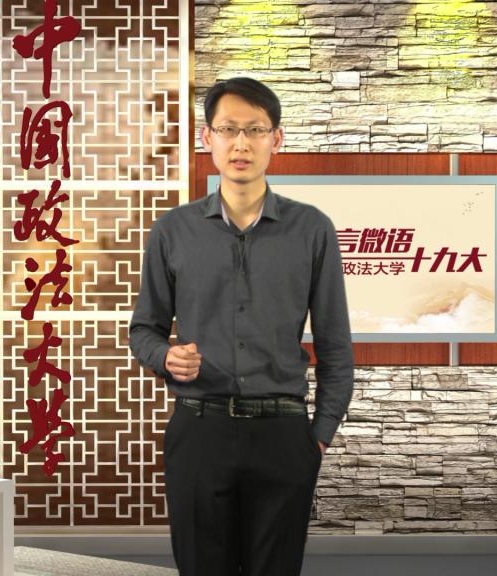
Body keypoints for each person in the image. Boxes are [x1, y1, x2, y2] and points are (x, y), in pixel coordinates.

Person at [128, 77, 354, 576]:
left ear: (277, 139)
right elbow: (143, 330)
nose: (241, 143)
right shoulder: (173, 230)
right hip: (199, 429)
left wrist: (317, 437)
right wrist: (165, 356)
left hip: (283, 435)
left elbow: (336, 347)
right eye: (228, 129)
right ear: (207, 137)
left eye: (255, 129)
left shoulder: (312, 229)